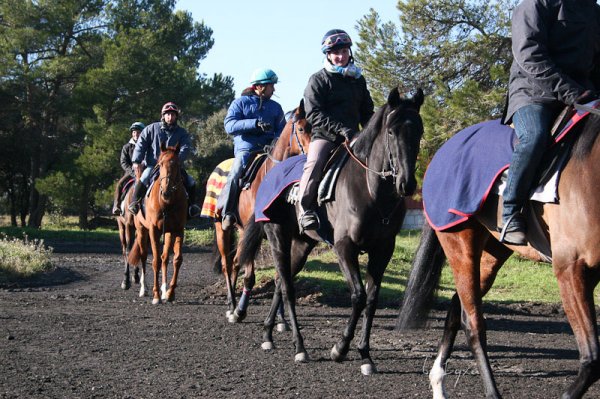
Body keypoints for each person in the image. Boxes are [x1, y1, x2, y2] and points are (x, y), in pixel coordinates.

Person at [499, 0, 600, 245]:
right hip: (534, 92)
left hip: (583, 94)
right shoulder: (535, 5)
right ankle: (510, 211)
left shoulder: (594, 11)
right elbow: (529, 54)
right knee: (535, 136)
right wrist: (571, 92)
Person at [297, 29, 374, 231]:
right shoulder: (318, 80)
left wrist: (372, 131)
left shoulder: (358, 79)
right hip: (326, 137)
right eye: (336, 52)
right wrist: (342, 130)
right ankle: (305, 210)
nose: (341, 56)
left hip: (355, 137)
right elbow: (313, 114)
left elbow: (367, 111)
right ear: (328, 55)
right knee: (314, 164)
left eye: (344, 51)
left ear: (350, 52)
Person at [219, 68, 286, 231]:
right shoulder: (239, 103)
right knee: (236, 171)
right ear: (260, 87)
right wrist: (254, 123)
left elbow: (282, 130)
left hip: (270, 150)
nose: (274, 89)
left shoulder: (276, 107)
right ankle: (228, 213)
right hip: (247, 151)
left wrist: (276, 140)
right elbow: (229, 126)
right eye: (271, 86)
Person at [128, 102, 201, 217]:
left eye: (173, 114)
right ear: (163, 115)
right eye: (167, 114)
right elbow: (141, 145)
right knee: (144, 177)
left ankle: (192, 206)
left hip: (174, 166)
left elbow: (186, 147)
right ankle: (135, 203)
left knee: (190, 181)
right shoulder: (151, 129)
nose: (170, 117)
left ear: (176, 116)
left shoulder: (182, 132)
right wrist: (136, 161)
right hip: (154, 165)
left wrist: (176, 160)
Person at [112, 122, 145, 215]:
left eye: (138, 132)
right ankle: (116, 206)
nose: (136, 134)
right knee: (120, 184)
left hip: (145, 171)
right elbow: (123, 162)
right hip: (131, 172)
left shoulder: (147, 146)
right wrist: (133, 172)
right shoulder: (126, 147)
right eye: (134, 132)